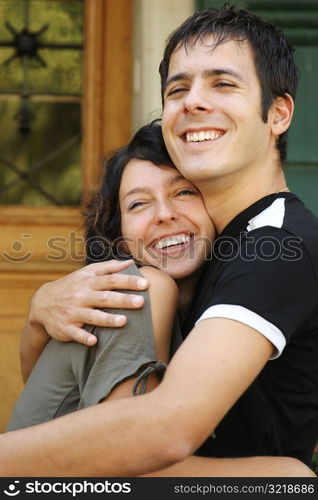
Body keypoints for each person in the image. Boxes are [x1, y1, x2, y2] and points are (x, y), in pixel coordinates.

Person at [0, 4, 317, 478]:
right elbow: (77, 408)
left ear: (277, 113)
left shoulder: (275, 246)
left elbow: (162, 429)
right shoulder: (194, 258)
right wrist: (38, 317)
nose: (193, 102)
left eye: (223, 83)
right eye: (177, 89)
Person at [7, 121, 213, 429]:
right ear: (119, 238)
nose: (164, 214)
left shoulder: (211, 308)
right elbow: (131, 449)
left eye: (183, 191)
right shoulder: (140, 288)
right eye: (138, 203)